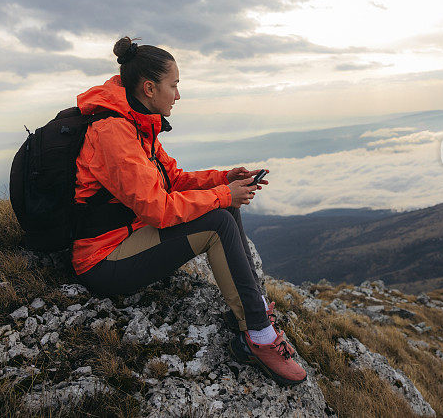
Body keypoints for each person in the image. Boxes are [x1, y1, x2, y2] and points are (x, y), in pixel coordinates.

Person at [71, 36, 307, 386]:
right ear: (150, 88)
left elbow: (174, 179)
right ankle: (259, 337)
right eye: (175, 85)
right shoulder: (114, 132)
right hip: (103, 261)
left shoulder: (136, 123)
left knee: (223, 204)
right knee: (217, 220)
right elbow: (159, 210)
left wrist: (223, 180)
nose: (178, 95)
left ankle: (254, 306)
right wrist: (222, 195)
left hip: (129, 236)